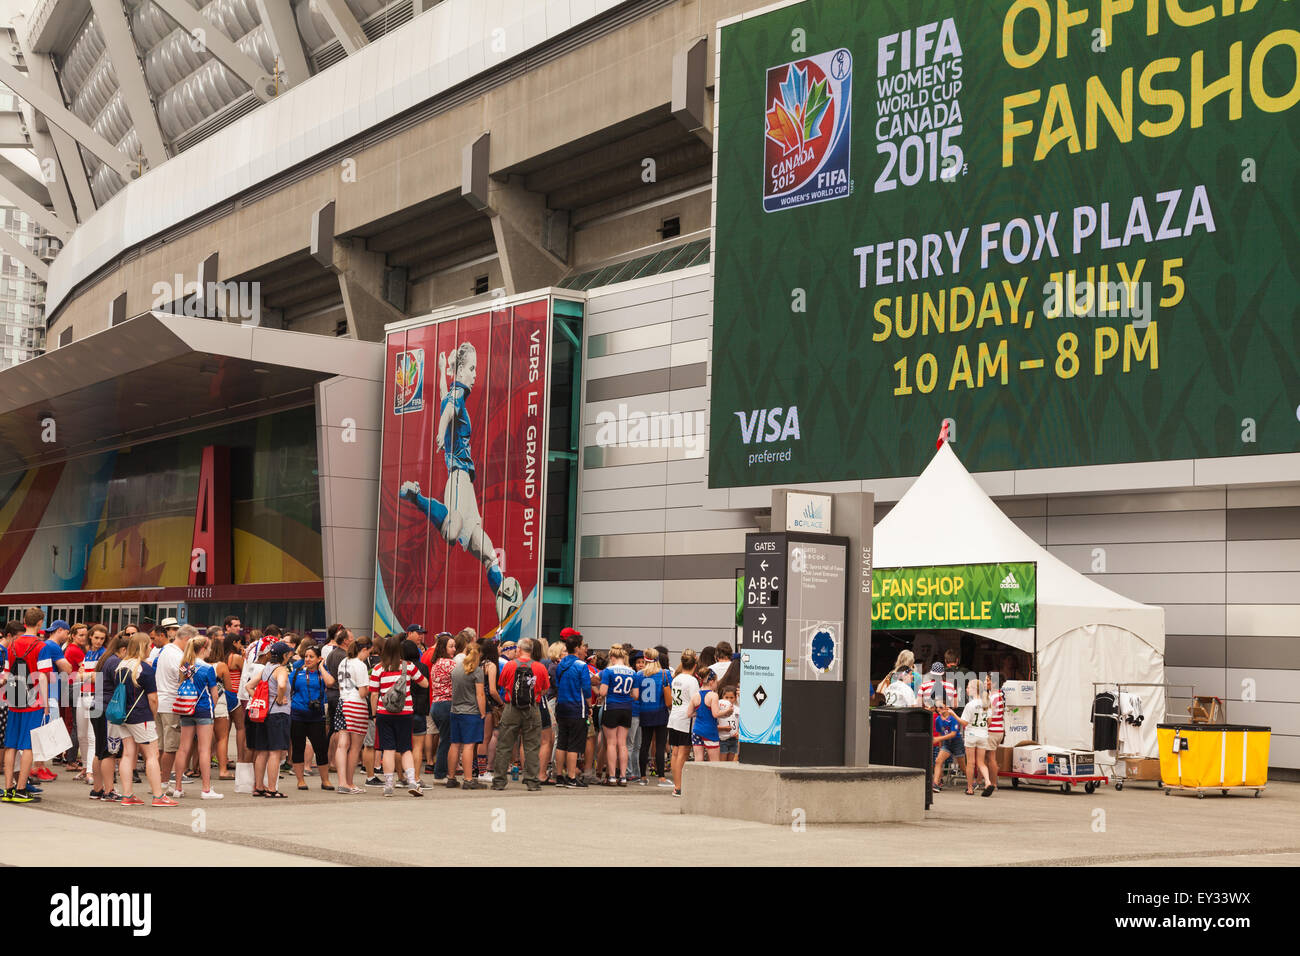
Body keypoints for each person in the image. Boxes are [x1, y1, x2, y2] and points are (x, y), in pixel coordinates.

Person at [398, 343, 522, 631]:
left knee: (488, 554)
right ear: (462, 371)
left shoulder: (453, 392)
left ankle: (503, 599)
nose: (475, 375)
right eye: (472, 368)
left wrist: (443, 371)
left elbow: (444, 398)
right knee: (452, 532)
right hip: (458, 479)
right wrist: (441, 432)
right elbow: (449, 409)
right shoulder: (460, 394)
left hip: (463, 485)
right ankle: (417, 496)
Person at [112, 633, 176, 807]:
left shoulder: (121, 665)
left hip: (123, 716)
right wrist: (153, 716)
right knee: (152, 755)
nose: (151, 648)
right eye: (149, 645)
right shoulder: (145, 669)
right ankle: (158, 795)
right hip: (141, 715)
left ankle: (127, 794)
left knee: (127, 753)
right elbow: (153, 698)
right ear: (143, 646)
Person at [1, 608, 56, 803]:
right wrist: (46, 703)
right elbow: (43, 676)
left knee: (11, 745)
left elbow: (6, 674)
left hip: (14, 697)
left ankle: (8, 789)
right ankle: (21, 789)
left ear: (24, 621)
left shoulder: (12, 645)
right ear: (40, 623)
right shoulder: (42, 647)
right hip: (34, 700)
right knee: (29, 746)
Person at [369, 633, 428, 797]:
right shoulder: (408, 666)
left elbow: (373, 694)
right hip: (405, 712)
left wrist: (374, 714)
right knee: (406, 749)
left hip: (383, 713)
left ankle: (388, 786)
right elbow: (424, 683)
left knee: (388, 749)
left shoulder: (378, 669)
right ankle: (412, 782)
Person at [171, 632, 224, 800]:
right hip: (203, 709)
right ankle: (206, 789)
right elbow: (214, 694)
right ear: (203, 649)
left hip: (186, 708)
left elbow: (181, 683)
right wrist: (212, 709)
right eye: (208, 648)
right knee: (204, 749)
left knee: (183, 748)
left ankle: (177, 787)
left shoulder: (186, 665)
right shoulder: (208, 669)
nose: (209, 651)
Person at [492, 637, 550, 791]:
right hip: (532, 708)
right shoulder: (540, 667)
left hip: (511, 708)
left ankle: (499, 781)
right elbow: (544, 689)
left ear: (519, 650)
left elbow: (502, 684)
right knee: (532, 746)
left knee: (505, 745)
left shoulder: (510, 666)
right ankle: (532, 781)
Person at [552, 628, 596, 789]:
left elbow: (557, 683)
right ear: (577, 648)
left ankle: (559, 775)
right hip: (577, 707)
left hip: (561, 706)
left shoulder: (561, 663)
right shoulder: (581, 665)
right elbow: (586, 688)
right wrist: (590, 706)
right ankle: (571, 777)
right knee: (574, 744)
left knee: (562, 741)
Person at [289, 645, 335, 791]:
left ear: (319, 658)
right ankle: (300, 780)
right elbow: (287, 689)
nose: (308, 659)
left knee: (320, 748)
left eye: (311, 657)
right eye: (306, 656)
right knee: (298, 748)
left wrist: (321, 667)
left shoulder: (323, 673)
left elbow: (330, 683)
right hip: (297, 715)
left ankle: (325, 780)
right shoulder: (297, 672)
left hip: (316, 716)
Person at [252, 642, 293, 798]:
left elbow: (250, 685)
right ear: (284, 655)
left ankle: (259, 786)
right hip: (278, 714)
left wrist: (260, 699)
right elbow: (282, 685)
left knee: (262, 751)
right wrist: (279, 698)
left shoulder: (266, 668)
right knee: (275, 752)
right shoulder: (281, 669)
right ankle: (271, 789)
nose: (290, 656)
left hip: (264, 714)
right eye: (289, 654)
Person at [332, 635, 372, 794]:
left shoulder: (344, 662)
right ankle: (349, 783)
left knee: (342, 745)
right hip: (356, 705)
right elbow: (363, 692)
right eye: (369, 652)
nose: (369, 655)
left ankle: (342, 782)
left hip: (342, 702)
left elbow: (341, 687)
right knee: (355, 747)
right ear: (364, 649)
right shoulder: (360, 665)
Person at [152, 618, 187, 795]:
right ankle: (164, 783)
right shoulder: (176, 654)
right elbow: (184, 673)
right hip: (171, 703)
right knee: (170, 747)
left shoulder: (164, 652)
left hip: (160, 702)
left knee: (160, 745)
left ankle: (157, 780)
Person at [448, 641, 487, 790]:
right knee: (469, 746)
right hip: (471, 712)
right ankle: (468, 779)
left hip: (455, 710)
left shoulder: (456, 669)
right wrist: (483, 712)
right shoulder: (476, 671)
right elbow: (480, 694)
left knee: (455, 744)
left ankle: (451, 777)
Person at [596, 645, 637, 786]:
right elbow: (636, 695)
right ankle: (623, 776)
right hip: (627, 708)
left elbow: (602, 692)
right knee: (623, 743)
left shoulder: (608, 671)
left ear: (612, 657)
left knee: (611, 743)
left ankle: (612, 776)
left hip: (612, 707)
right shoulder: (632, 672)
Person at [636, 649, 671, 786]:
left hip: (644, 712)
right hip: (660, 711)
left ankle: (642, 777)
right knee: (660, 745)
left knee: (645, 744)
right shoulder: (665, 673)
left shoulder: (639, 675)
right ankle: (661, 777)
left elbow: (636, 695)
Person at [667, 650, 700, 797]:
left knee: (675, 752)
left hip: (674, 716)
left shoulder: (676, 678)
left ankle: (676, 785)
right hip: (685, 719)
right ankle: (679, 787)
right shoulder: (692, 680)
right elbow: (696, 701)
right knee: (683, 752)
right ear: (695, 664)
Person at [424, 632, 456, 780]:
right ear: (443, 648)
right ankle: (441, 772)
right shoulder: (448, 663)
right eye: (451, 646)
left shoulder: (436, 663)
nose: (454, 649)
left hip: (436, 704)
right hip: (446, 704)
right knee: (446, 741)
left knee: (444, 738)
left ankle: (440, 770)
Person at [956, 678, 994, 796]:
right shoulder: (986, 703)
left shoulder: (970, 705)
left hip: (971, 735)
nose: (966, 689)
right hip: (983, 734)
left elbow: (964, 723)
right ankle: (987, 782)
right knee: (981, 763)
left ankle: (970, 788)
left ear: (973, 689)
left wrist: (953, 715)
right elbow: (989, 721)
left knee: (971, 763)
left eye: (968, 687)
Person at [404, 637, 432, 788]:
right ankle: (415, 777)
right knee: (417, 746)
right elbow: (426, 687)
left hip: (402, 709)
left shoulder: (399, 667)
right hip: (419, 709)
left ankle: (401, 776)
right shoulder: (422, 667)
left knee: (401, 746)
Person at [690, 667, 731, 763]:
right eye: (716, 682)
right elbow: (715, 714)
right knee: (714, 762)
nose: (717, 684)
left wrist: (700, 711)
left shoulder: (696, 695)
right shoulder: (713, 695)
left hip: (697, 730)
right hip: (709, 731)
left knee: (698, 761)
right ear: (711, 682)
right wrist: (727, 711)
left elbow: (689, 713)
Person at [931, 703, 964, 793]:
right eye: (937, 707)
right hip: (946, 743)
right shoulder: (938, 719)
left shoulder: (952, 718)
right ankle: (935, 783)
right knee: (938, 761)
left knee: (962, 766)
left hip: (957, 742)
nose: (938, 709)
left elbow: (953, 734)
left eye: (941, 707)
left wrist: (938, 739)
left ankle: (971, 782)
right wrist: (940, 746)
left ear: (947, 707)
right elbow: (940, 733)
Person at [717, 684, 740, 761]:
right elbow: (713, 726)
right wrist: (723, 728)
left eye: (731, 697)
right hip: (722, 740)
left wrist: (738, 732)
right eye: (726, 697)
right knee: (722, 763)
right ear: (722, 697)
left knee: (731, 763)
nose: (729, 700)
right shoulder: (718, 710)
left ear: (736, 698)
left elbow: (740, 724)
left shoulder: (737, 709)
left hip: (734, 740)